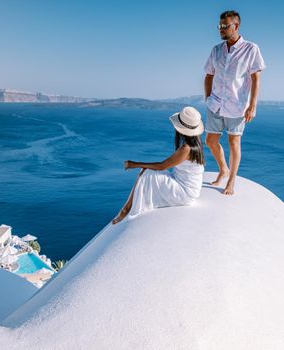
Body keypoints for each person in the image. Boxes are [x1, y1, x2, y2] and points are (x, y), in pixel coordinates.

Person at [204, 10, 266, 195]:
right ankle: (223, 169)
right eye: (220, 26)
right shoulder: (216, 50)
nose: (221, 30)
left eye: (225, 26)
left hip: (237, 106)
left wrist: (252, 106)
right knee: (210, 140)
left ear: (236, 26)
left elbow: (256, 79)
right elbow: (208, 75)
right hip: (215, 103)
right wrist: (208, 97)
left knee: (234, 143)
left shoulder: (251, 49)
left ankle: (231, 182)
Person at [112, 106, 205, 225]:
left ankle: (127, 208)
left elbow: (162, 166)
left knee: (147, 173)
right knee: (148, 171)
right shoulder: (196, 144)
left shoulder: (186, 149)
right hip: (188, 189)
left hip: (185, 193)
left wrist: (134, 164)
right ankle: (128, 207)